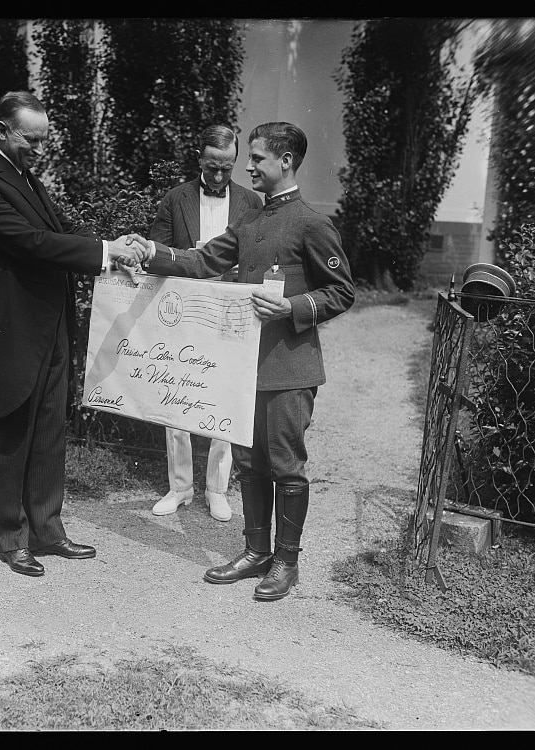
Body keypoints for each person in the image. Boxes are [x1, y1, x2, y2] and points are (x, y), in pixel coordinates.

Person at [132, 121, 355, 601]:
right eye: (248, 158)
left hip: (289, 369)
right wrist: (152, 250)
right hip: (244, 367)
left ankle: (286, 562)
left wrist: (294, 308)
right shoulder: (249, 222)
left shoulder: (312, 223)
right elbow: (200, 261)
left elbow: (342, 291)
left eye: (256, 158)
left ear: (286, 162)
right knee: (251, 462)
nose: (247, 166)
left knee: (285, 464)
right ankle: (255, 552)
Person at [0, 91, 148, 578]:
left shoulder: (27, 178)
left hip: (54, 321)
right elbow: (33, 244)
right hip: (17, 326)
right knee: (17, 427)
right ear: (2, 130)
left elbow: (61, 235)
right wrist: (107, 250)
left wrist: (116, 253)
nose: (39, 149)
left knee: (51, 427)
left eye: (44, 140)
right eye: (31, 138)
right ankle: (11, 535)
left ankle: (48, 529)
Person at [148, 125, 263, 523]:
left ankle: (217, 488)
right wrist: (189, 255)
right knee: (176, 389)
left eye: (226, 168)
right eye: (212, 167)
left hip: (231, 310)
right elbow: (156, 251)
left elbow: (258, 257)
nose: (217, 176)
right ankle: (179, 487)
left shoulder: (252, 201)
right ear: (199, 158)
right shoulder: (175, 198)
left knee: (225, 393)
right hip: (184, 305)